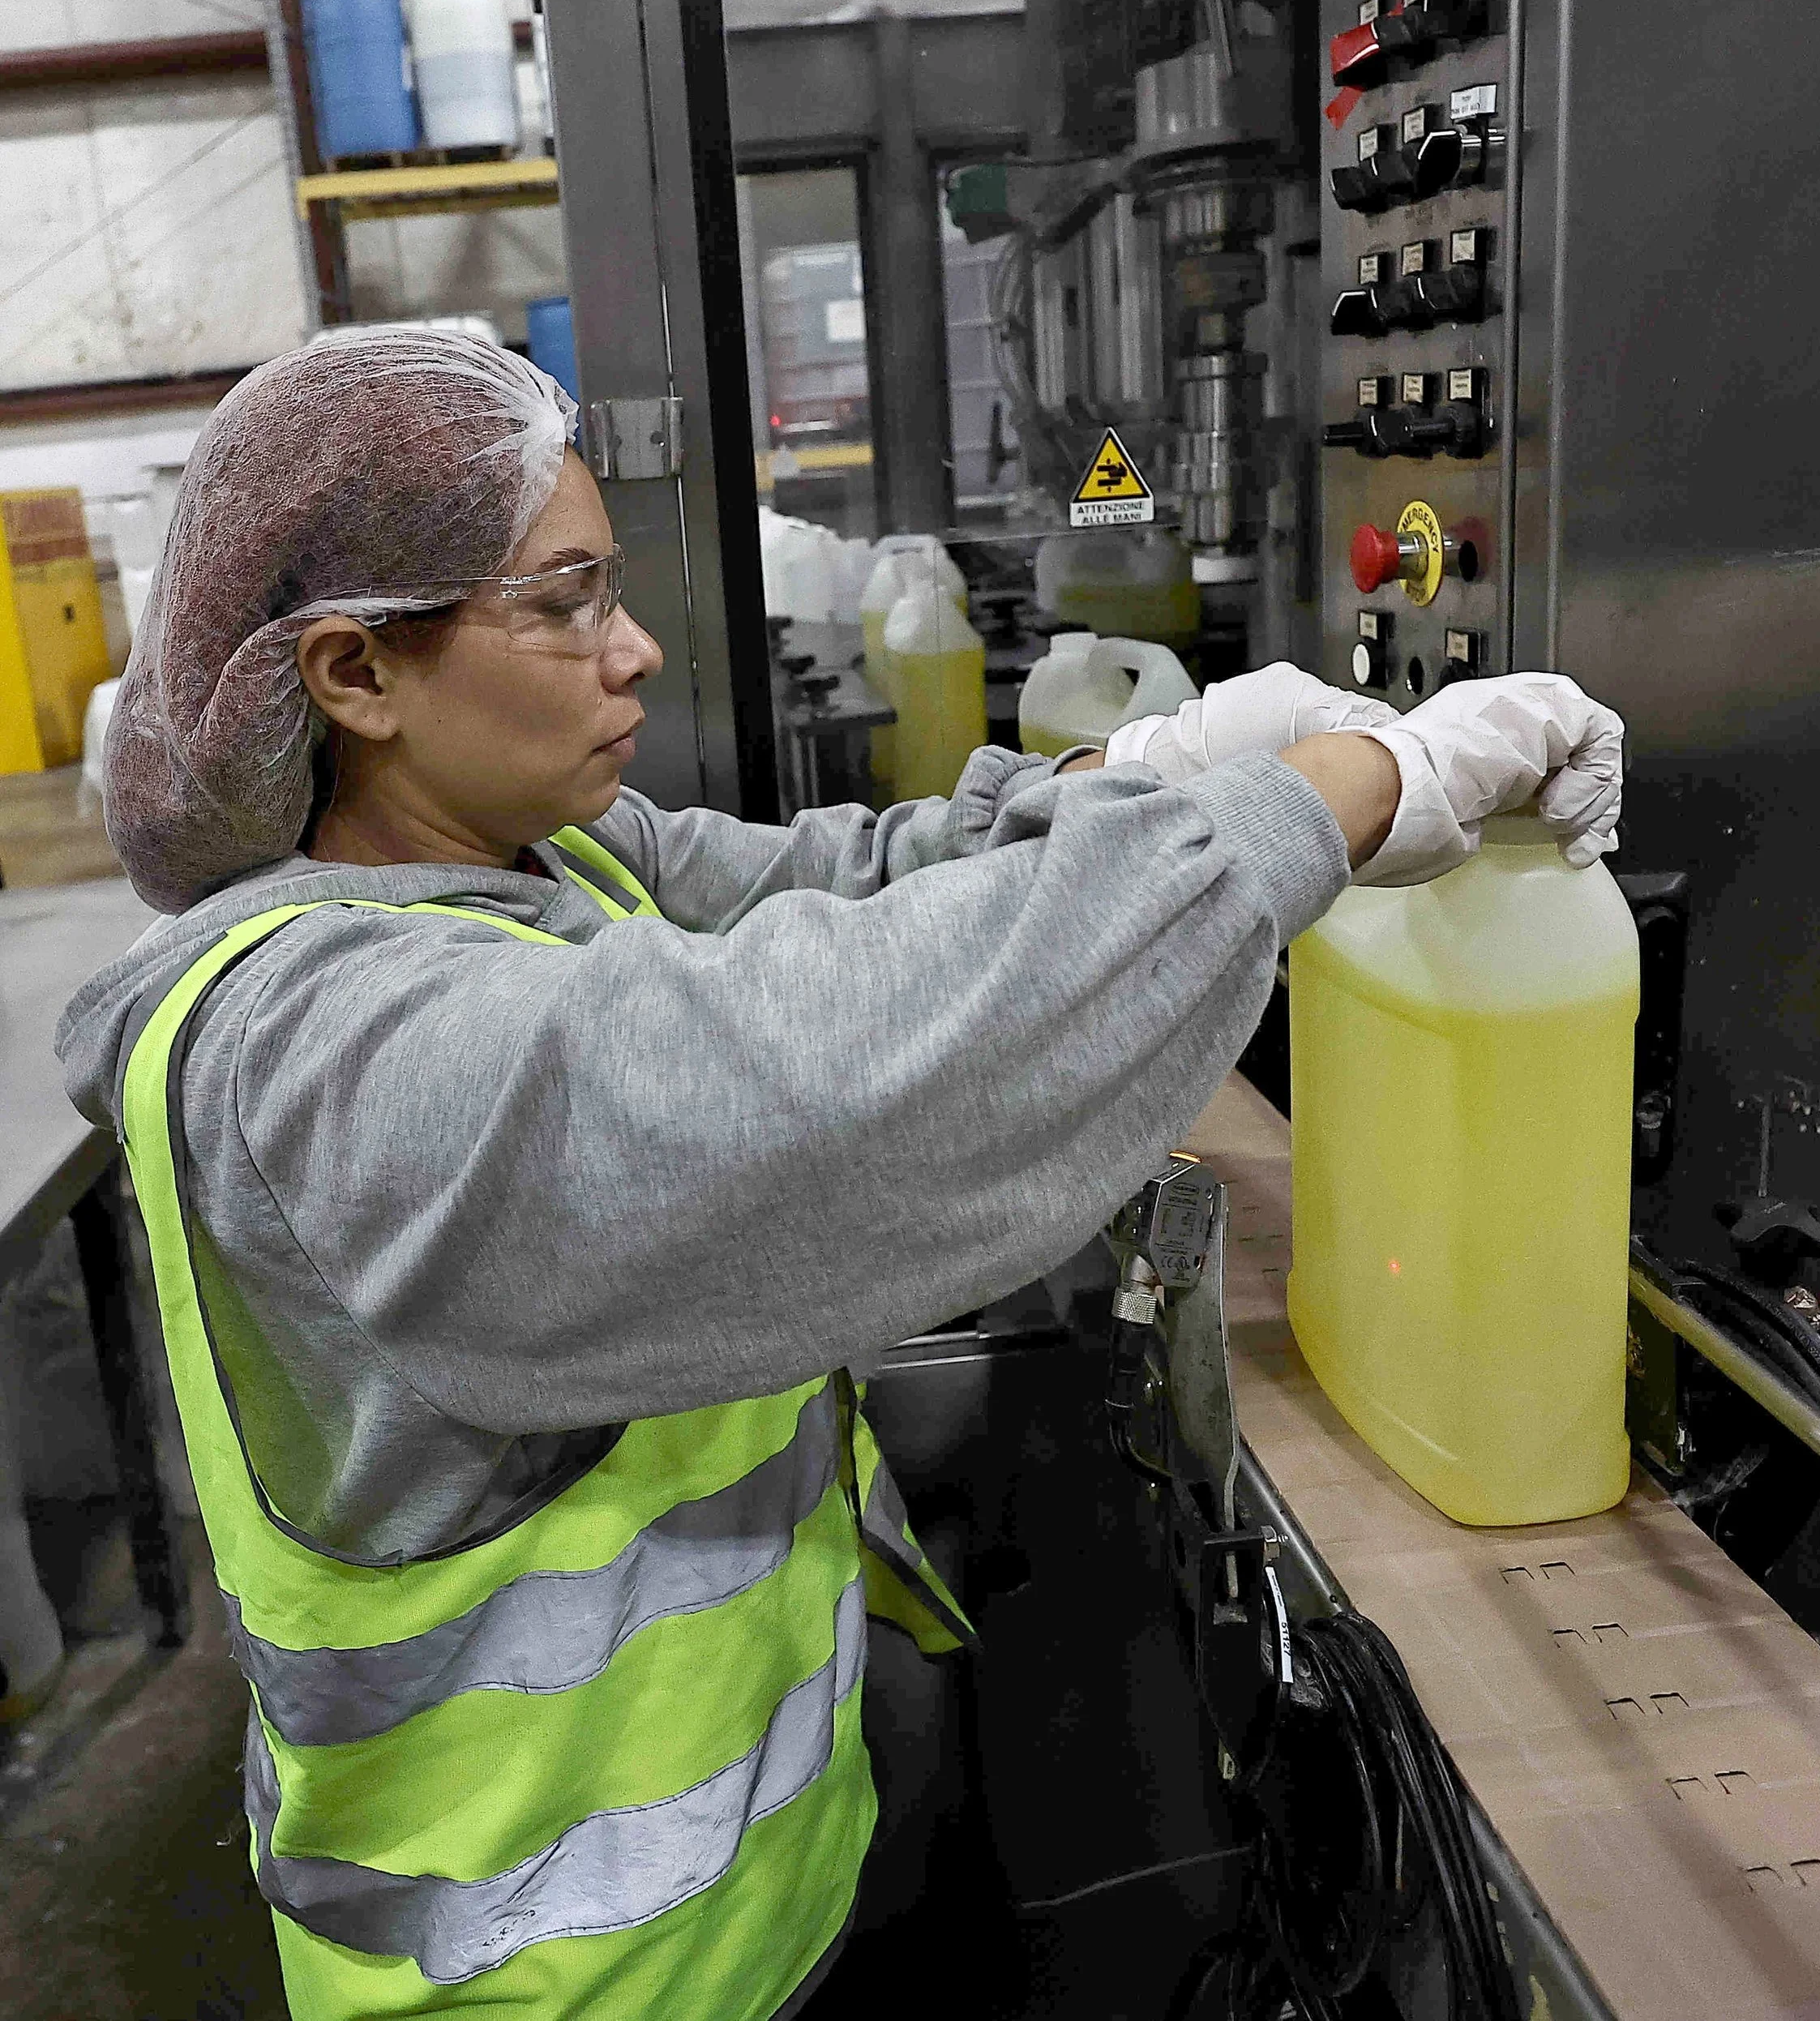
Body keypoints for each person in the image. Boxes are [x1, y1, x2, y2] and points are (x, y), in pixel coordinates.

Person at [57, 328, 1621, 2021]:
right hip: (565, 1981)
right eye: (563, 601)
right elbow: (836, 1072)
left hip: (765, 1891)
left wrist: (1162, 771)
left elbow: (844, 888)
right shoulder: (326, 1054)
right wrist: (1351, 786)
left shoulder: (536, 860)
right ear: (355, 674)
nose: (634, 650)